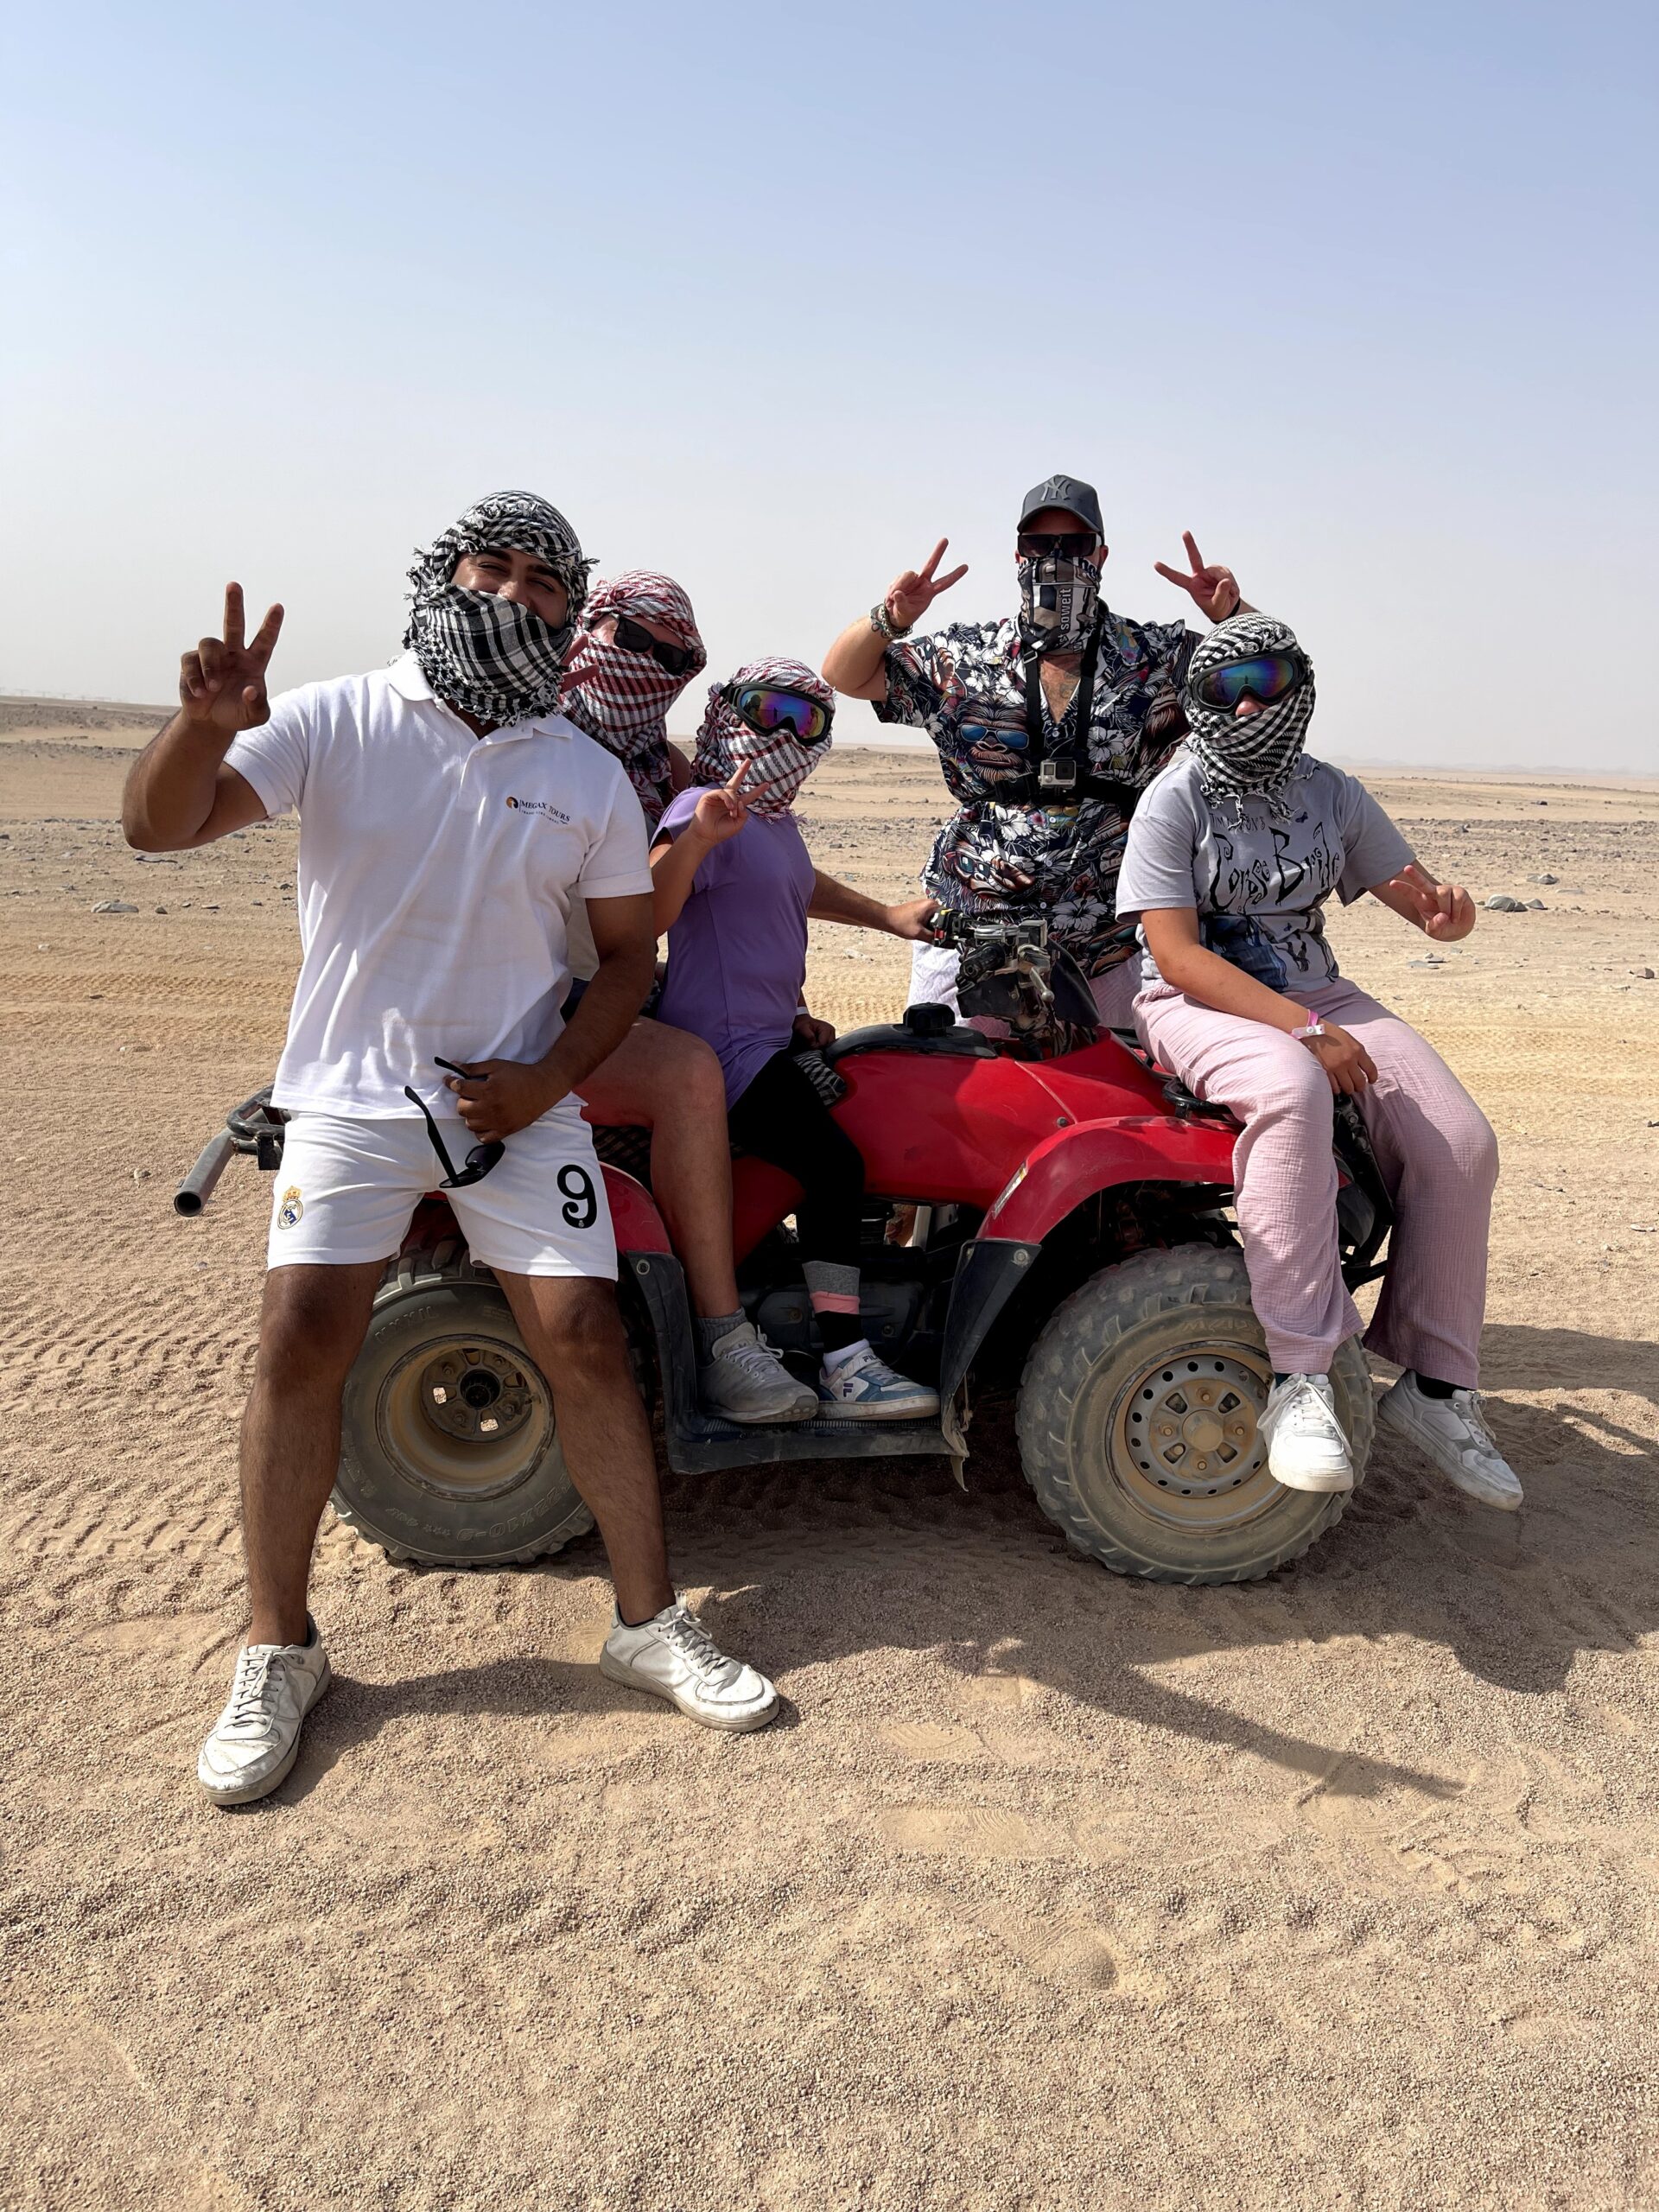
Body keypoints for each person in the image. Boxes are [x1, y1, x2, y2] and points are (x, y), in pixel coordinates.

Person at [122, 491, 782, 1808]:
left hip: (518, 1103)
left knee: (585, 1340)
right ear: (444, 574)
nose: (518, 592)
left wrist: (549, 1080)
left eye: (548, 581)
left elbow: (623, 959)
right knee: (300, 1339)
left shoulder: (581, 773)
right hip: (351, 1098)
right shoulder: (336, 718)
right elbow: (159, 826)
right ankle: (277, 1649)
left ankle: (647, 1623)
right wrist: (200, 728)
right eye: (495, 565)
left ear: (570, 613)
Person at [1113, 610, 1522, 1509]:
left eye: (1267, 683)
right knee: (1293, 1090)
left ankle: (1438, 1387)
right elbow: (1176, 957)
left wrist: (1449, 917)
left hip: (1320, 994)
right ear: (1198, 698)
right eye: (1226, 687)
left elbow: (1420, 899)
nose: (1248, 705)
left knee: (1461, 1143)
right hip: (1199, 1003)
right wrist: (1302, 1032)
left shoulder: (1331, 792)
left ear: (1300, 691)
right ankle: (1299, 1379)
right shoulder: (1176, 798)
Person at [821, 474, 1251, 1032]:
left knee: (1114, 1080)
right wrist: (891, 618)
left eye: (1074, 544)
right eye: (1039, 544)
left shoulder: (1157, 656)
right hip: (974, 927)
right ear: (1018, 555)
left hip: (1113, 939)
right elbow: (845, 675)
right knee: (959, 1080)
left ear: (1100, 555)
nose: (1055, 558)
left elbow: (1269, 678)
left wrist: (1232, 615)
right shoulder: (963, 656)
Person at [651, 659, 943, 1420]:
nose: (783, 734)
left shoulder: (774, 824)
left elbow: (792, 894)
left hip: (769, 1037)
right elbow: (649, 907)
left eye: (805, 720)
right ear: (727, 712)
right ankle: (846, 1361)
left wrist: (885, 921)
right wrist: (697, 839)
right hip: (724, 1051)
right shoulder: (701, 809)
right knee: (835, 1164)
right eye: (767, 710)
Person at [557, 569, 810, 1424]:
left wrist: (886, 916)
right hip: (525, 994)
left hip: (612, 986)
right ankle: (721, 1336)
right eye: (634, 639)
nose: (650, 665)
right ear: (591, 626)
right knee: (691, 1073)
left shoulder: (654, 766)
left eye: (675, 658)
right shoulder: (532, 736)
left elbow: (741, 855)